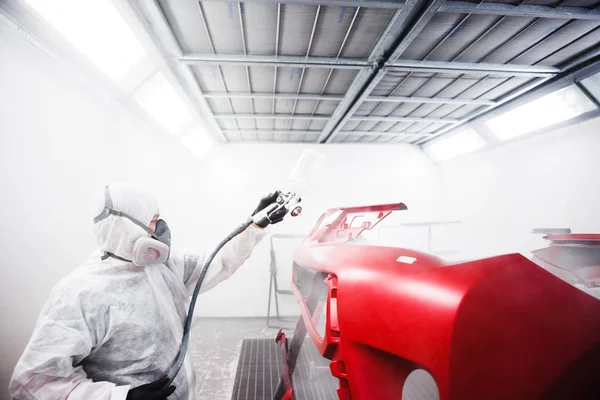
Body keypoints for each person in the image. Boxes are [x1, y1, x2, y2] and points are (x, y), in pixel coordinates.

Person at [9, 183, 288, 400]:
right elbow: (34, 382)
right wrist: (120, 396)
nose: (160, 229)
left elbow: (219, 261)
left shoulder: (162, 266)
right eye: (153, 221)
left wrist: (255, 221)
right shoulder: (80, 293)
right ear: (126, 226)